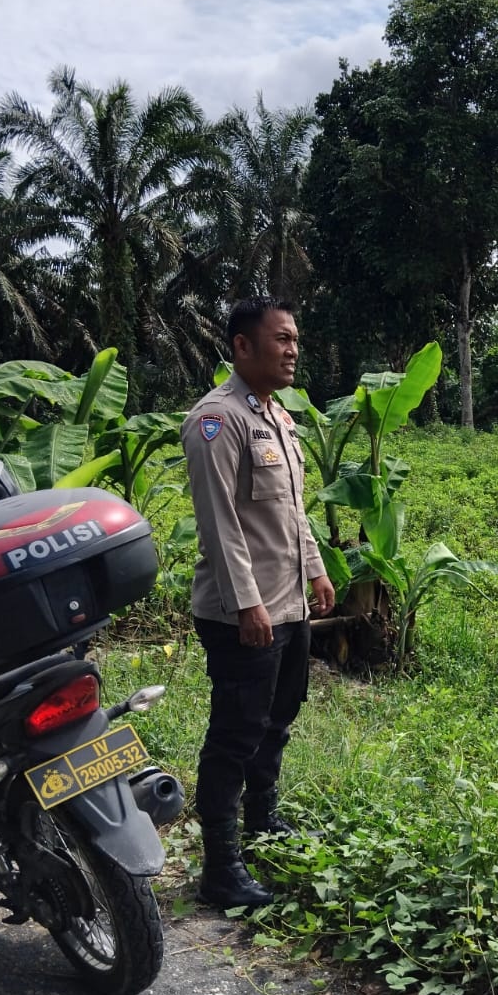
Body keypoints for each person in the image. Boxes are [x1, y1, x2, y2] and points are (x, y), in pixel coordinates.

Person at [181, 297, 335, 908]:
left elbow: (290, 515)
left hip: (289, 606)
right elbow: (219, 524)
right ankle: (220, 866)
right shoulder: (217, 421)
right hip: (242, 613)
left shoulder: (278, 418)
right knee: (234, 735)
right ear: (243, 346)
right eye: (281, 339)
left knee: (279, 717)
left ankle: (262, 819)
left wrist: (318, 572)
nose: (292, 349)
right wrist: (248, 604)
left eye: (296, 338)